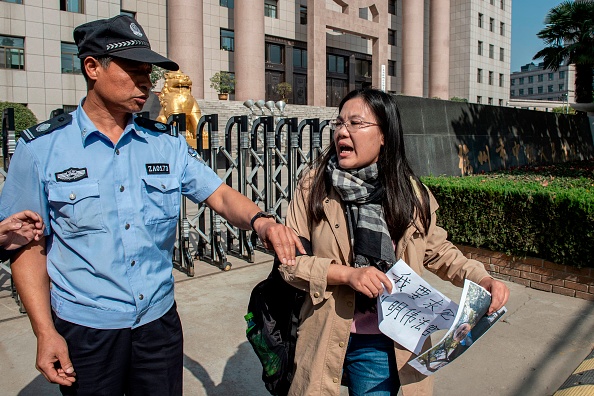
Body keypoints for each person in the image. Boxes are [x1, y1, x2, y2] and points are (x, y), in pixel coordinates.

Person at [0, 15, 303, 396]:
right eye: (133, 70)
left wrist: (262, 222)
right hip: (86, 330)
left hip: (157, 324)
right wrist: (45, 332)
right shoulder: (41, 149)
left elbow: (219, 194)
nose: (145, 82)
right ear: (92, 67)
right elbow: (27, 246)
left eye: (149, 72)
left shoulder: (165, 144)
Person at [278, 88, 509, 396]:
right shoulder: (314, 185)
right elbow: (290, 264)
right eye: (339, 123)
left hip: (383, 342)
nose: (342, 132)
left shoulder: (412, 195)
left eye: (355, 123)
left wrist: (483, 279)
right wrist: (348, 275)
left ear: (385, 135)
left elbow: (440, 252)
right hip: (323, 331)